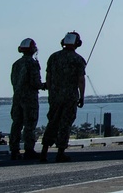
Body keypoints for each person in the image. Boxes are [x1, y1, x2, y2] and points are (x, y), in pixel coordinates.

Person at [41, 31, 86, 163]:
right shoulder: (78, 59)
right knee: (65, 124)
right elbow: (81, 80)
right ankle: (60, 152)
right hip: (70, 97)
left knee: (52, 122)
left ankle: (44, 152)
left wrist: (50, 93)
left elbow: (48, 77)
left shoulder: (53, 57)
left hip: (54, 97)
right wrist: (82, 96)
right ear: (77, 43)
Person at [9, 38, 44, 160]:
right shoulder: (32, 63)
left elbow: (13, 81)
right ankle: (29, 150)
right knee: (30, 124)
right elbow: (35, 82)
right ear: (33, 49)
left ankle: (14, 150)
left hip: (17, 97)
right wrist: (44, 85)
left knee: (16, 124)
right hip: (29, 98)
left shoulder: (16, 64)